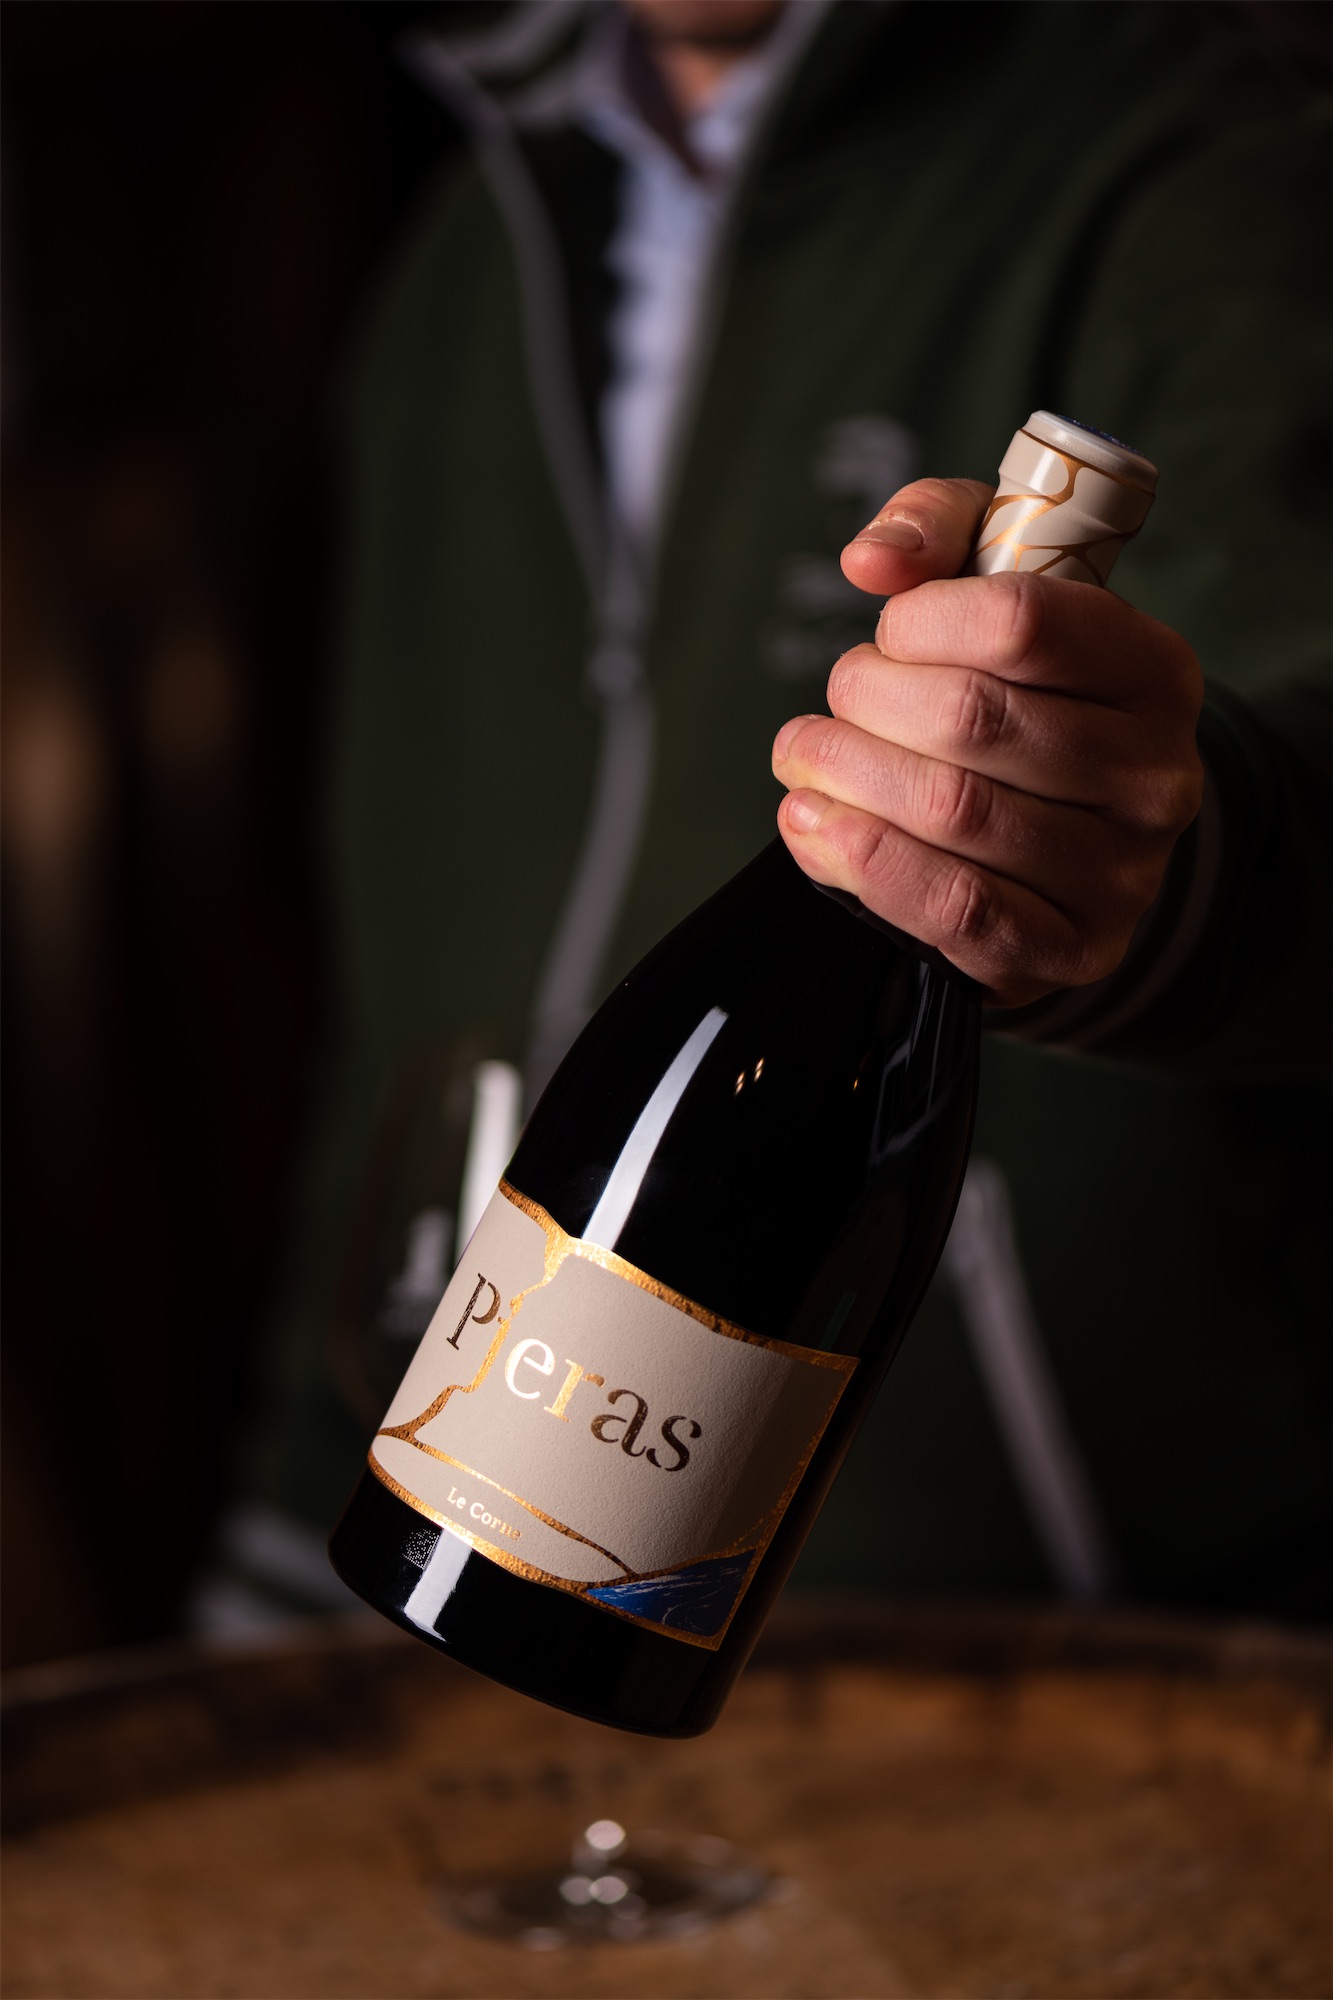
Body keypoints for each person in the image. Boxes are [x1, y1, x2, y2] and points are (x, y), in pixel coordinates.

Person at [203, 0, 1329, 1635]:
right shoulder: (454, 265)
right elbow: (391, 1002)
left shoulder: (1212, 159)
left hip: (1097, 1645)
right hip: (473, 1539)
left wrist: (1149, 879)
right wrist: (285, 1544)